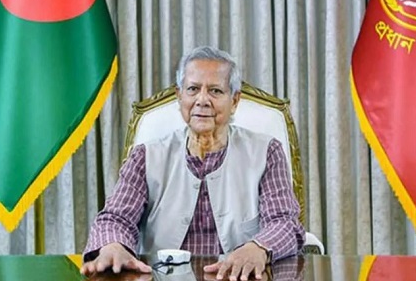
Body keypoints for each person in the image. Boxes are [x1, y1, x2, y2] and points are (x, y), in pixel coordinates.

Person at [81, 46, 306, 280]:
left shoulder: (267, 152)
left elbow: (285, 222)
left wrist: (259, 247)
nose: (202, 100)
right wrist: (113, 245)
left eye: (215, 91)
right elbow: (116, 218)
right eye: (193, 89)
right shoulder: (146, 156)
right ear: (179, 96)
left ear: (234, 100)